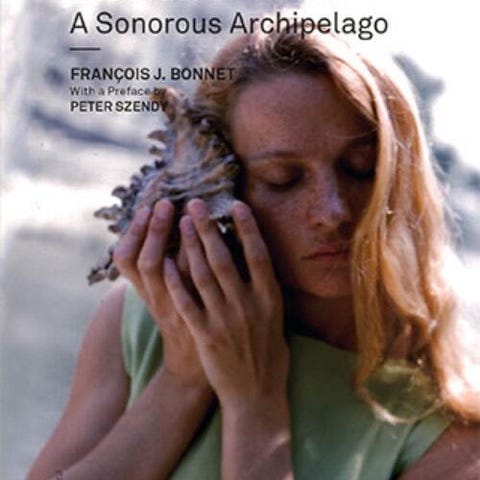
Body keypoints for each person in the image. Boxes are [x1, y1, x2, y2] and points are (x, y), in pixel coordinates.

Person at [27, 26, 479, 480]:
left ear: (399, 179)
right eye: (283, 179)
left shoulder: (448, 429)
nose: (333, 212)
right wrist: (182, 380)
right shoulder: (143, 324)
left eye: (360, 170)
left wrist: (256, 403)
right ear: (224, 187)